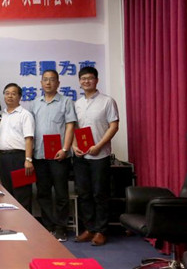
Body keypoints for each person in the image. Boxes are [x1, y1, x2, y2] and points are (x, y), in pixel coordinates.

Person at [72, 66, 119, 247]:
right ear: (79, 81)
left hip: (100, 155)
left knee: (100, 193)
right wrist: (74, 146)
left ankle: (101, 231)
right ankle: (89, 228)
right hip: (81, 156)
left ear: (96, 80)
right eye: (83, 78)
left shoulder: (107, 101)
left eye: (90, 78)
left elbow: (114, 126)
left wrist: (99, 146)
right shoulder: (77, 104)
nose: (86, 81)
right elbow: (73, 129)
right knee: (84, 194)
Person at [31, 70, 76, 242]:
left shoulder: (66, 102)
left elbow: (70, 126)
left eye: (52, 80)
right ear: (41, 83)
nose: (48, 83)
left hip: (59, 156)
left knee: (61, 193)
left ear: (58, 83)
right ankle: (48, 225)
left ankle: (60, 228)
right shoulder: (35, 103)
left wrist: (65, 149)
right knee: (43, 193)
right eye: (45, 80)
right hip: (39, 155)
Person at [0, 83, 35, 212]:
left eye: (13, 94)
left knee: (22, 194)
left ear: (20, 97)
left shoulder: (25, 114)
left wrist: (28, 160)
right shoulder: (1, 115)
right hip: (3, 158)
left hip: (19, 158)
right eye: (7, 93)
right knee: (7, 194)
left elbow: (29, 138)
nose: (10, 96)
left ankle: (25, 223)